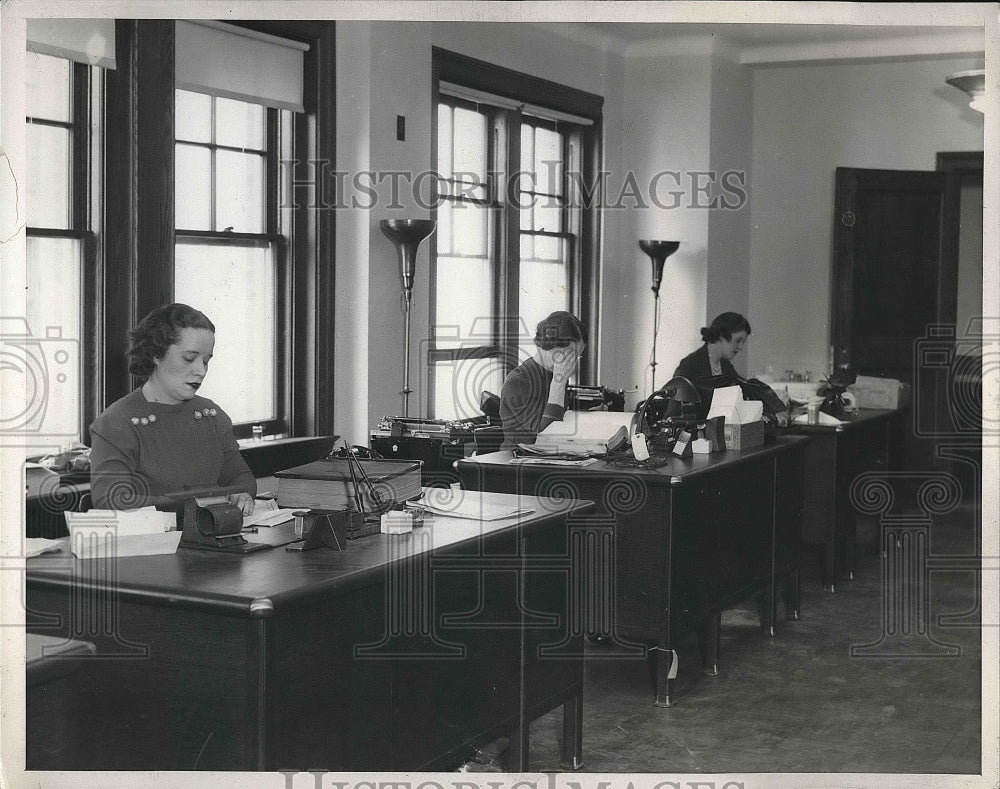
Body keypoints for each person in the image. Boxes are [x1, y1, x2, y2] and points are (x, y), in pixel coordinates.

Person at [89, 303, 257, 513]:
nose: (201, 371)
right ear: (156, 354)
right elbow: (110, 500)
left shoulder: (211, 415)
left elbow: (240, 477)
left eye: (206, 361)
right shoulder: (116, 422)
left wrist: (241, 494)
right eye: (189, 358)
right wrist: (198, 504)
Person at [499, 311, 588, 450]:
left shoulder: (553, 374)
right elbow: (542, 438)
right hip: (516, 462)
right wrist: (559, 383)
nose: (571, 362)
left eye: (576, 356)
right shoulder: (518, 381)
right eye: (569, 353)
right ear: (548, 344)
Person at [673, 311, 752, 382]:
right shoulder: (689, 365)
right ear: (721, 336)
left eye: (743, 342)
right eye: (737, 341)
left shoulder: (727, 366)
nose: (740, 347)